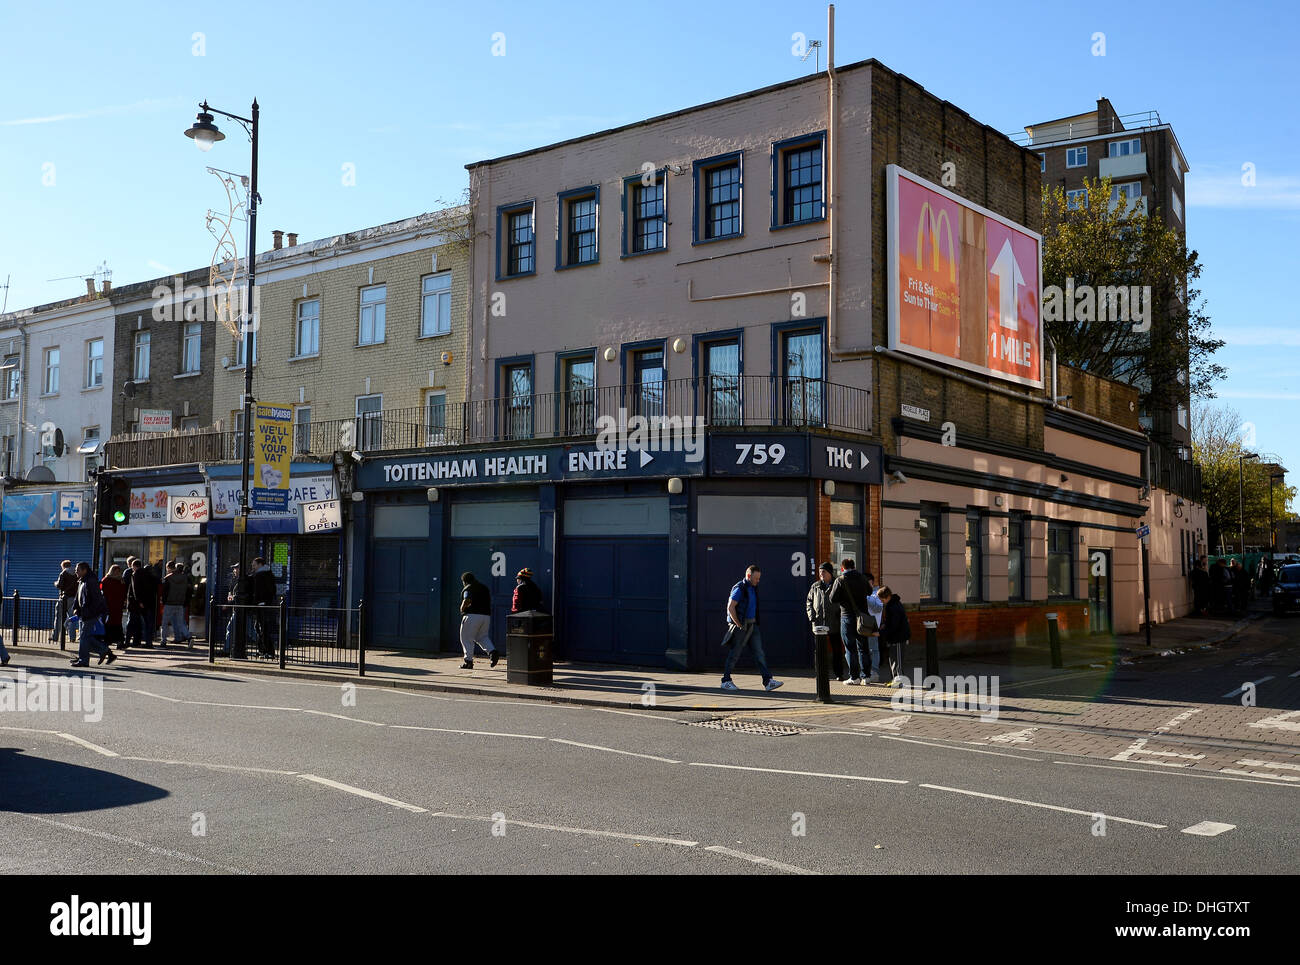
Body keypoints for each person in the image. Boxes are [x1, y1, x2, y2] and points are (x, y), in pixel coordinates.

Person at [720, 564, 783, 693]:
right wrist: (738, 624)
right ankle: (726, 681)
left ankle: (768, 682)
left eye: (759, 578)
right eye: (756, 578)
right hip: (741, 625)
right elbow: (730, 607)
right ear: (749, 576)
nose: (758, 581)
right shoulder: (739, 588)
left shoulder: (753, 587)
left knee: (759, 653)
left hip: (752, 625)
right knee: (735, 654)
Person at [830, 559, 878, 684]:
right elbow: (869, 591)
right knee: (863, 647)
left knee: (850, 648)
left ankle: (854, 677)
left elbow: (832, 598)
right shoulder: (862, 578)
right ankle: (866, 676)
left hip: (847, 617)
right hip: (861, 617)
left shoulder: (840, 580)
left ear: (842, 568)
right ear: (854, 566)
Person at [70, 562, 114, 668]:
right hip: (84, 613)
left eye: (78, 569)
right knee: (86, 637)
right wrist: (76, 608)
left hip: (90, 614)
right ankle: (104, 650)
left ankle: (84, 660)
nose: (76, 571)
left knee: (84, 637)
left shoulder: (91, 581)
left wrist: (89, 612)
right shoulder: (82, 580)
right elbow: (78, 596)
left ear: (84, 570)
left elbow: (96, 599)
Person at [805, 561, 844, 681]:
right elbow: (809, 602)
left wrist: (840, 616)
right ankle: (821, 673)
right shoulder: (815, 586)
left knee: (837, 650)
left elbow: (843, 602)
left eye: (823, 572)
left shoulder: (837, 585)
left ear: (830, 573)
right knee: (820, 650)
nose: (821, 574)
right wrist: (812, 617)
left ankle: (839, 673)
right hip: (819, 623)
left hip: (834, 623)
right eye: (820, 572)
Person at [459, 571, 499, 669]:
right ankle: (492, 652)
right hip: (485, 616)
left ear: (464, 581)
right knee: (482, 637)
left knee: (466, 638)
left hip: (472, 615)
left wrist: (462, 608)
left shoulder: (468, 588)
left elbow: (467, 599)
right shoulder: (484, 587)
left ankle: (468, 661)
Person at [876, 586, 910, 686]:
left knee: (897, 659)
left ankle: (900, 680)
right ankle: (895, 678)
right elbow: (891, 623)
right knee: (892, 658)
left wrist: (882, 632)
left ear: (887, 597)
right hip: (894, 636)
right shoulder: (892, 604)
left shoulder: (894, 606)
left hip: (899, 637)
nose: (881, 602)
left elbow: (894, 625)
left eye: (882, 600)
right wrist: (884, 625)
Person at [160, 561, 194, 648]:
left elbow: (165, 592)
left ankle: (163, 641)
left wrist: (163, 601)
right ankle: (189, 637)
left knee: (164, 623)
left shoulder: (168, 578)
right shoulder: (184, 578)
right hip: (180, 603)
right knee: (181, 623)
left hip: (169, 603)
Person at [126, 558, 159, 648]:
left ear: (134, 566)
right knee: (148, 623)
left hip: (138, 603)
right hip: (150, 602)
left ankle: (129, 641)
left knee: (134, 623)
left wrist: (139, 601)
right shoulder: (149, 574)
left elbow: (135, 589)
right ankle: (148, 642)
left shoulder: (136, 574)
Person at [250, 557, 278, 657]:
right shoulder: (267, 574)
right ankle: (263, 650)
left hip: (262, 605)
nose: (253, 567)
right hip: (264, 604)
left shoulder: (261, 575)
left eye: (254, 565)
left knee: (263, 628)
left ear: (260, 564)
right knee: (259, 627)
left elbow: (261, 591)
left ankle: (268, 651)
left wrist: (261, 601)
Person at [100, 564, 128, 650]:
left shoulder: (106, 580)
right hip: (112, 605)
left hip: (113, 605)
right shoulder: (120, 581)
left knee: (111, 623)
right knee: (114, 623)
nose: (117, 573)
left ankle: (109, 641)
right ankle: (117, 641)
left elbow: (101, 591)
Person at [53, 559, 78, 645]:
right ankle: (72, 637)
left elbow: (60, 585)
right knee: (72, 618)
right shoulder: (76, 573)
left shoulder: (63, 573)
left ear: (63, 566)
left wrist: (55, 583)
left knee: (58, 617)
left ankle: (55, 636)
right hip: (73, 598)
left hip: (64, 598)